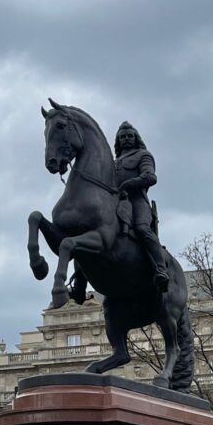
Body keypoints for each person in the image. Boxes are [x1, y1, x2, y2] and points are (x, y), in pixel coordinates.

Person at [68, 120, 169, 302]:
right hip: (115, 204)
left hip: (137, 201)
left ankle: (161, 268)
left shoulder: (143, 155)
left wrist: (129, 184)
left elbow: (150, 177)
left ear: (135, 137)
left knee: (142, 229)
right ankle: (79, 284)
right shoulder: (113, 163)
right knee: (87, 236)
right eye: (122, 137)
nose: (126, 139)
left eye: (130, 136)